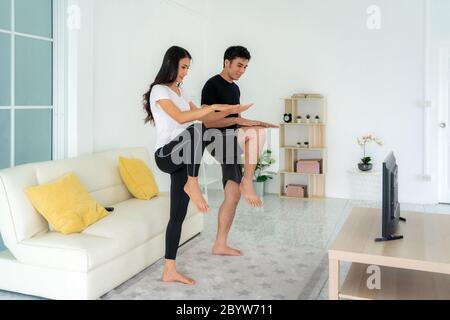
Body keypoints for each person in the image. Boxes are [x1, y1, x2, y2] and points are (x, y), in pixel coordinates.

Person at [143, 46, 253, 285]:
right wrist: (212, 110)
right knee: (196, 128)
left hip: (184, 157)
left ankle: (169, 269)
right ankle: (193, 183)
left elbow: (204, 116)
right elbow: (183, 119)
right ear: (171, 64)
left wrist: (231, 111)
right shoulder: (159, 90)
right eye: (183, 67)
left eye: (188, 68)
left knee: (177, 215)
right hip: (166, 154)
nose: (185, 73)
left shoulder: (180, 92)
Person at [201, 46, 278, 257]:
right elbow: (206, 120)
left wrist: (252, 122)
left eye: (245, 67)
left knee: (233, 196)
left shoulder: (235, 89)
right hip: (215, 139)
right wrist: (238, 120)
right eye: (239, 65)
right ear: (226, 62)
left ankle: (220, 244)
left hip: (231, 139)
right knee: (255, 134)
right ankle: (248, 181)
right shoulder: (212, 85)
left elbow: (236, 121)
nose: (242, 70)